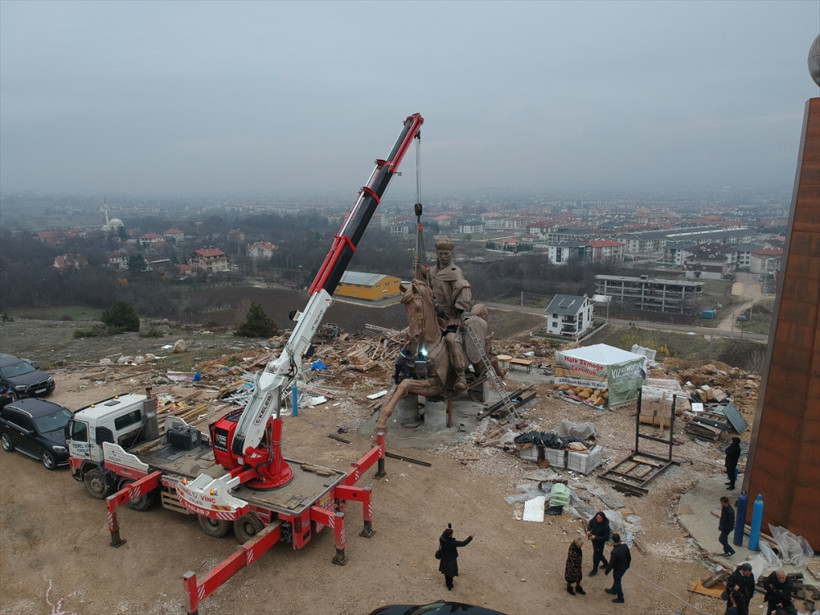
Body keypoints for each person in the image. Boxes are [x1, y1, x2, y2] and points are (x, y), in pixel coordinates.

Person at [426, 236, 472, 392]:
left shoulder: (455, 272)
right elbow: (425, 281)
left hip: (449, 316)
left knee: (451, 340)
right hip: (433, 315)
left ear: (451, 254)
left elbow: (464, 288)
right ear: (437, 254)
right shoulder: (432, 271)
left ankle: (461, 376)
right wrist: (418, 268)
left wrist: (459, 307)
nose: (443, 257)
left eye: (446, 254)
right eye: (441, 254)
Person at [438, 524, 474, 590]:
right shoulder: (452, 542)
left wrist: (449, 529)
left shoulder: (441, 538)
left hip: (444, 558)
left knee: (446, 572)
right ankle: (450, 585)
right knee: (450, 573)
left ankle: (448, 584)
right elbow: (463, 543)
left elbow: (444, 536)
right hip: (451, 559)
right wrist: (470, 537)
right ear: (449, 535)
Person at [603, 533, 631, 604]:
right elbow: (629, 557)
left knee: (617, 582)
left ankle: (620, 598)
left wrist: (607, 571)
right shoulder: (625, 546)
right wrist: (627, 565)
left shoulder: (614, 552)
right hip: (624, 568)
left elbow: (611, 563)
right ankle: (613, 590)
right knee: (617, 580)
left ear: (613, 541)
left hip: (618, 570)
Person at [586, 511, 610, 576]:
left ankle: (595, 570)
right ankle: (606, 564)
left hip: (600, 543)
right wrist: (588, 530)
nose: (598, 519)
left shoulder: (606, 527)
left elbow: (606, 538)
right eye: (597, 518)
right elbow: (590, 523)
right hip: (594, 540)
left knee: (596, 556)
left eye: (600, 518)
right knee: (599, 554)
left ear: (603, 518)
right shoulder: (595, 518)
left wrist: (596, 537)